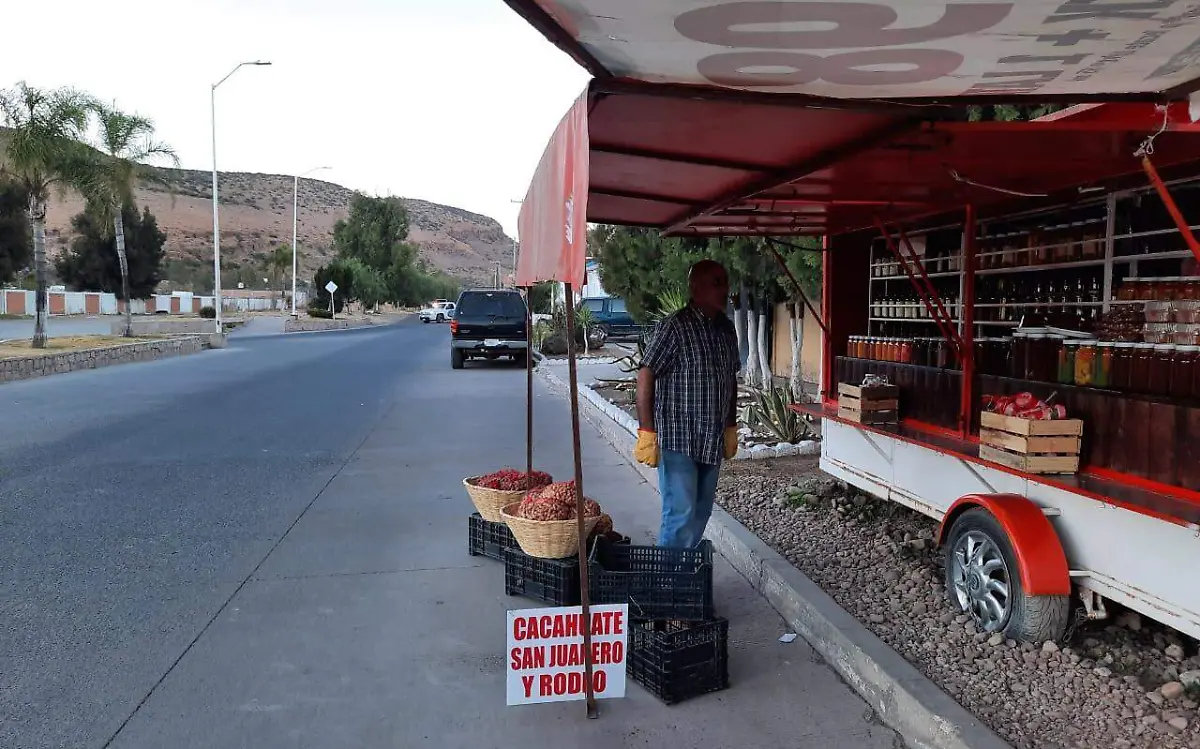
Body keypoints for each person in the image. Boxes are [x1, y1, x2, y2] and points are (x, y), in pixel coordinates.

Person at [633, 259, 741, 548]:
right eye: (717, 283)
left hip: (712, 438)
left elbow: (731, 379)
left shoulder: (726, 330)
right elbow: (646, 375)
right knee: (680, 513)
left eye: (725, 282)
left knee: (701, 513)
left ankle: (683, 576)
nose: (724, 290)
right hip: (678, 439)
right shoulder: (675, 328)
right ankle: (667, 584)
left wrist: (730, 426)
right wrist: (647, 430)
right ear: (696, 287)